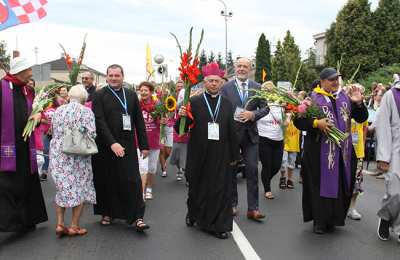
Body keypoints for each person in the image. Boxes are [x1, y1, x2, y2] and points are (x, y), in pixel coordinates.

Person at [293, 68, 368, 234]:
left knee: (341, 184)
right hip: (320, 152)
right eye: (331, 79)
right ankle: (319, 221)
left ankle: (334, 219)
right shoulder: (312, 99)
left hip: (343, 152)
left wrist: (358, 103)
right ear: (322, 81)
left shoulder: (344, 97)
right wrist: (315, 124)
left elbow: (362, 118)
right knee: (319, 186)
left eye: (337, 79)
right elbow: (298, 122)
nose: (335, 82)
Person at [177, 62, 239, 239]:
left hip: (221, 153)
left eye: (217, 81)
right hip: (199, 152)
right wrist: (182, 116)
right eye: (210, 81)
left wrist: (235, 155)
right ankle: (194, 213)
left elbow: (231, 130)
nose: (213, 84)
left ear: (221, 83)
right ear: (205, 82)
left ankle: (215, 225)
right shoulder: (194, 102)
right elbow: (181, 129)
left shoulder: (227, 103)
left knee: (219, 189)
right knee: (197, 187)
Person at [92, 64, 150, 232]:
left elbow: (139, 121)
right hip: (105, 146)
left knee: (132, 180)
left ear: (123, 76)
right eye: (111, 75)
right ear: (106, 76)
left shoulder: (131, 95)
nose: (114, 78)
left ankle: (138, 217)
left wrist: (144, 145)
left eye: (117, 75)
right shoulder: (99, 95)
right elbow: (99, 121)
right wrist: (112, 143)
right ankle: (107, 213)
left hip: (128, 144)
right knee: (108, 180)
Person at [0, 57, 48, 233]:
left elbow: (35, 111)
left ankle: (27, 220)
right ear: (19, 71)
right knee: (7, 186)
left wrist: (37, 116)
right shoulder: (2, 87)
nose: (31, 74)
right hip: (6, 148)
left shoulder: (28, 90)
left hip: (25, 147)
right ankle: (8, 223)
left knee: (27, 182)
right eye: (28, 70)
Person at [221, 57, 269, 221]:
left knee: (252, 171)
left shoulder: (257, 87)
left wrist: (253, 114)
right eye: (239, 66)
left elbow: (266, 108)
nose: (242, 69)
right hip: (231, 137)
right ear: (235, 68)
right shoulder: (225, 87)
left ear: (250, 69)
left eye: (245, 66)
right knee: (231, 172)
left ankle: (253, 209)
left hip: (250, 136)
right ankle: (232, 204)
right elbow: (220, 109)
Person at [49, 84, 96, 237]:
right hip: (78, 154)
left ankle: (60, 224)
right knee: (80, 187)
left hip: (59, 154)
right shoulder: (87, 112)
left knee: (62, 189)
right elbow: (92, 134)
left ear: (69, 96)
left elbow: (53, 131)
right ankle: (74, 226)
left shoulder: (58, 110)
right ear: (84, 98)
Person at [375, 78, 400, 242]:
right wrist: (383, 156)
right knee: (395, 192)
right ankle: (385, 217)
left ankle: (398, 229)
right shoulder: (392, 95)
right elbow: (382, 125)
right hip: (395, 149)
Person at [257, 81, 285, 200]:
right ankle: (267, 189)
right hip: (264, 138)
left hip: (279, 139)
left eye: (270, 90)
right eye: (266, 91)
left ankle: (265, 179)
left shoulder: (279, 103)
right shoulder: (259, 103)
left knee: (276, 166)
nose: (268, 93)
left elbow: (281, 120)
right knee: (267, 166)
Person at [346, 84, 368, 221]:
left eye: (361, 91)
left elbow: (365, 129)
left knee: (357, 181)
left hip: (358, 149)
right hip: (345, 149)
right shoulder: (345, 106)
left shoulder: (362, 109)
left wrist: (363, 147)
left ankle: (352, 208)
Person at [138, 81, 163, 200]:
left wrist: (163, 121)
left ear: (151, 92)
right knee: (142, 168)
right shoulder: (136, 105)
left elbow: (162, 121)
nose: (143, 92)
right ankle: (141, 190)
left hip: (154, 140)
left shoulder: (158, 105)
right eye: (141, 90)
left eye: (145, 90)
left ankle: (149, 188)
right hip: (139, 142)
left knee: (152, 168)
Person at [280, 113, 301, 190]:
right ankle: (282, 178)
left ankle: (289, 179)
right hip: (285, 143)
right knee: (283, 162)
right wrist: (288, 117)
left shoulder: (298, 117)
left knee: (291, 163)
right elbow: (283, 126)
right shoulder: (284, 115)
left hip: (294, 144)